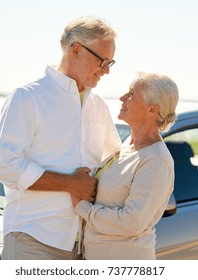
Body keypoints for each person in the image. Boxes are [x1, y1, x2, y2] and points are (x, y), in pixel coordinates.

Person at [0, 16, 122, 260]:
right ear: (76, 49)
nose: (106, 70)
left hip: (84, 246)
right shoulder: (27, 98)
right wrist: (70, 183)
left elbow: (114, 164)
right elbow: (6, 167)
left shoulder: (98, 106)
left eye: (110, 62)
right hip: (33, 239)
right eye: (102, 61)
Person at [72, 72, 179, 259]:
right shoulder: (128, 145)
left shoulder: (157, 160)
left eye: (131, 95)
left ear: (152, 109)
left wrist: (83, 208)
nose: (122, 98)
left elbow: (132, 222)